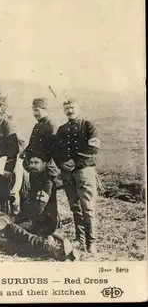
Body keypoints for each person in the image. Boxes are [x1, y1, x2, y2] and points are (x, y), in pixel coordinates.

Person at [53, 98, 100, 255]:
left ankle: (91, 243)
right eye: (66, 108)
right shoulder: (61, 129)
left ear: (78, 107)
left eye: (72, 107)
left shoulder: (88, 126)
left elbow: (93, 148)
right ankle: (79, 240)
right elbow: (56, 150)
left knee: (88, 207)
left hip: (83, 171)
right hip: (67, 174)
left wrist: (75, 161)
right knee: (75, 207)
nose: (69, 110)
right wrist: (61, 163)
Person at [13, 151, 59, 239]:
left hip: (45, 221)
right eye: (31, 163)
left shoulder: (47, 182)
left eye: (36, 163)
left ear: (44, 164)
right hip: (36, 218)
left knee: (13, 230)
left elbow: (38, 208)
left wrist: (19, 219)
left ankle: (46, 237)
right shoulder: (35, 176)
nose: (32, 165)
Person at [20, 97, 60, 180]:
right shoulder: (37, 125)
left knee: (45, 193)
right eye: (33, 110)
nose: (34, 113)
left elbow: (51, 150)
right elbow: (33, 144)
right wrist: (25, 151)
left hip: (46, 170)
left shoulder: (51, 126)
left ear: (45, 110)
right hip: (35, 168)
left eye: (37, 110)